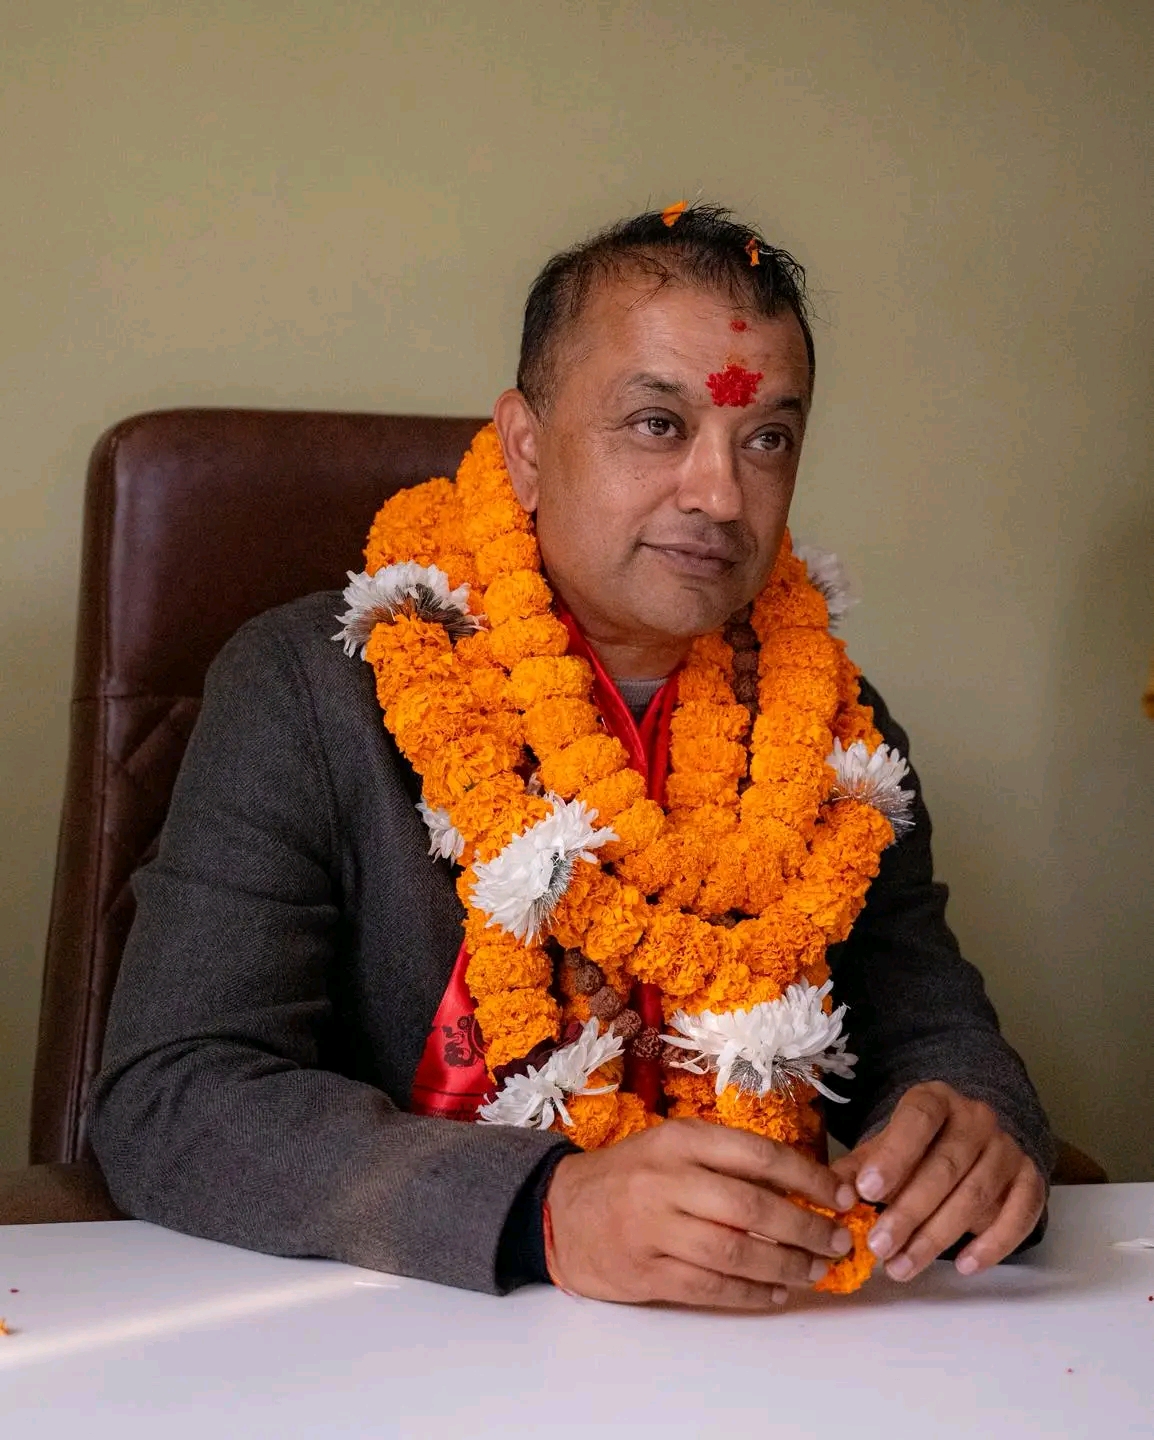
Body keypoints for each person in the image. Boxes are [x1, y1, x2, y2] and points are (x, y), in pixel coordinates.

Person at [90, 205, 1052, 1310]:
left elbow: (933, 1032)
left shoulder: (834, 728)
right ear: (526, 447)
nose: (719, 495)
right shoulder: (311, 689)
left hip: (766, 1340)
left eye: (766, 439)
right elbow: (172, 1092)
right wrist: (544, 1210)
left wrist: (971, 1128)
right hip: (415, 1331)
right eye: (657, 423)